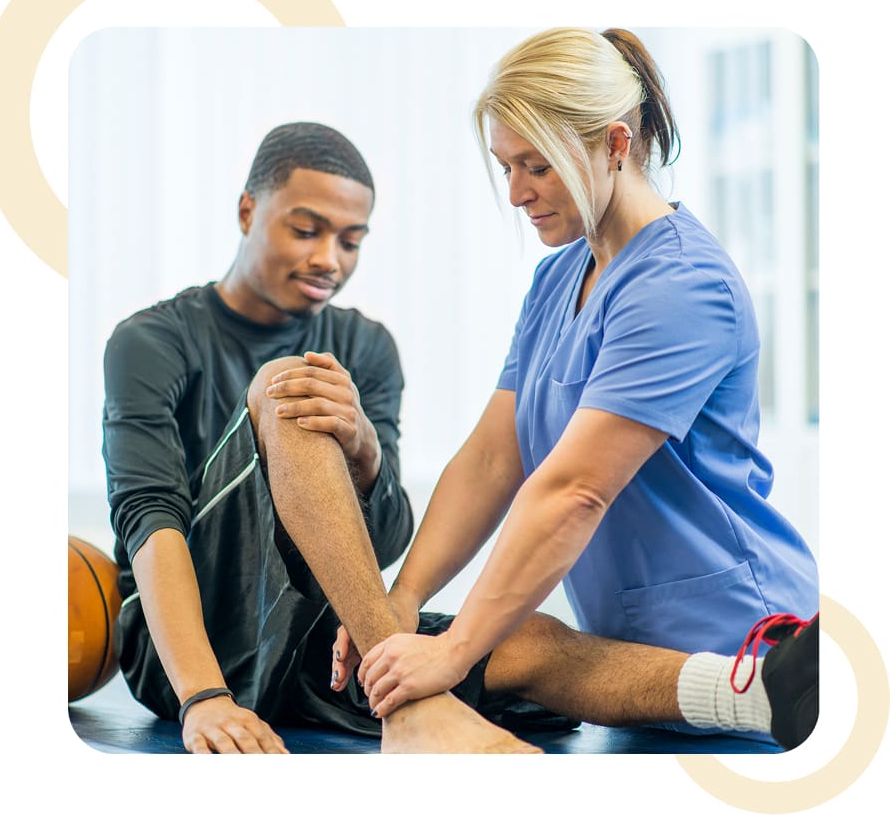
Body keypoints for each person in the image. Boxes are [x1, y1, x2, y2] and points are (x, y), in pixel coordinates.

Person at [103, 117, 815, 757]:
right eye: (306, 229)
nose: (329, 259)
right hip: (185, 646)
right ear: (247, 211)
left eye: (350, 241)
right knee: (290, 385)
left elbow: (379, 541)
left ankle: (758, 694)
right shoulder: (153, 340)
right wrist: (202, 697)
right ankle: (410, 710)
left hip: (321, 640)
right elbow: (150, 522)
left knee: (527, 637)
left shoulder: (365, 344)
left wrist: (364, 450)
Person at [347, 28, 820, 751]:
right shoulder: (558, 277)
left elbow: (574, 491)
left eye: (536, 166)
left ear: (615, 144)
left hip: (742, 647)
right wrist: (403, 599)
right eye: (506, 167)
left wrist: (455, 650)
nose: (516, 193)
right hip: (626, 663)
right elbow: (491, 460)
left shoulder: (680, 285)